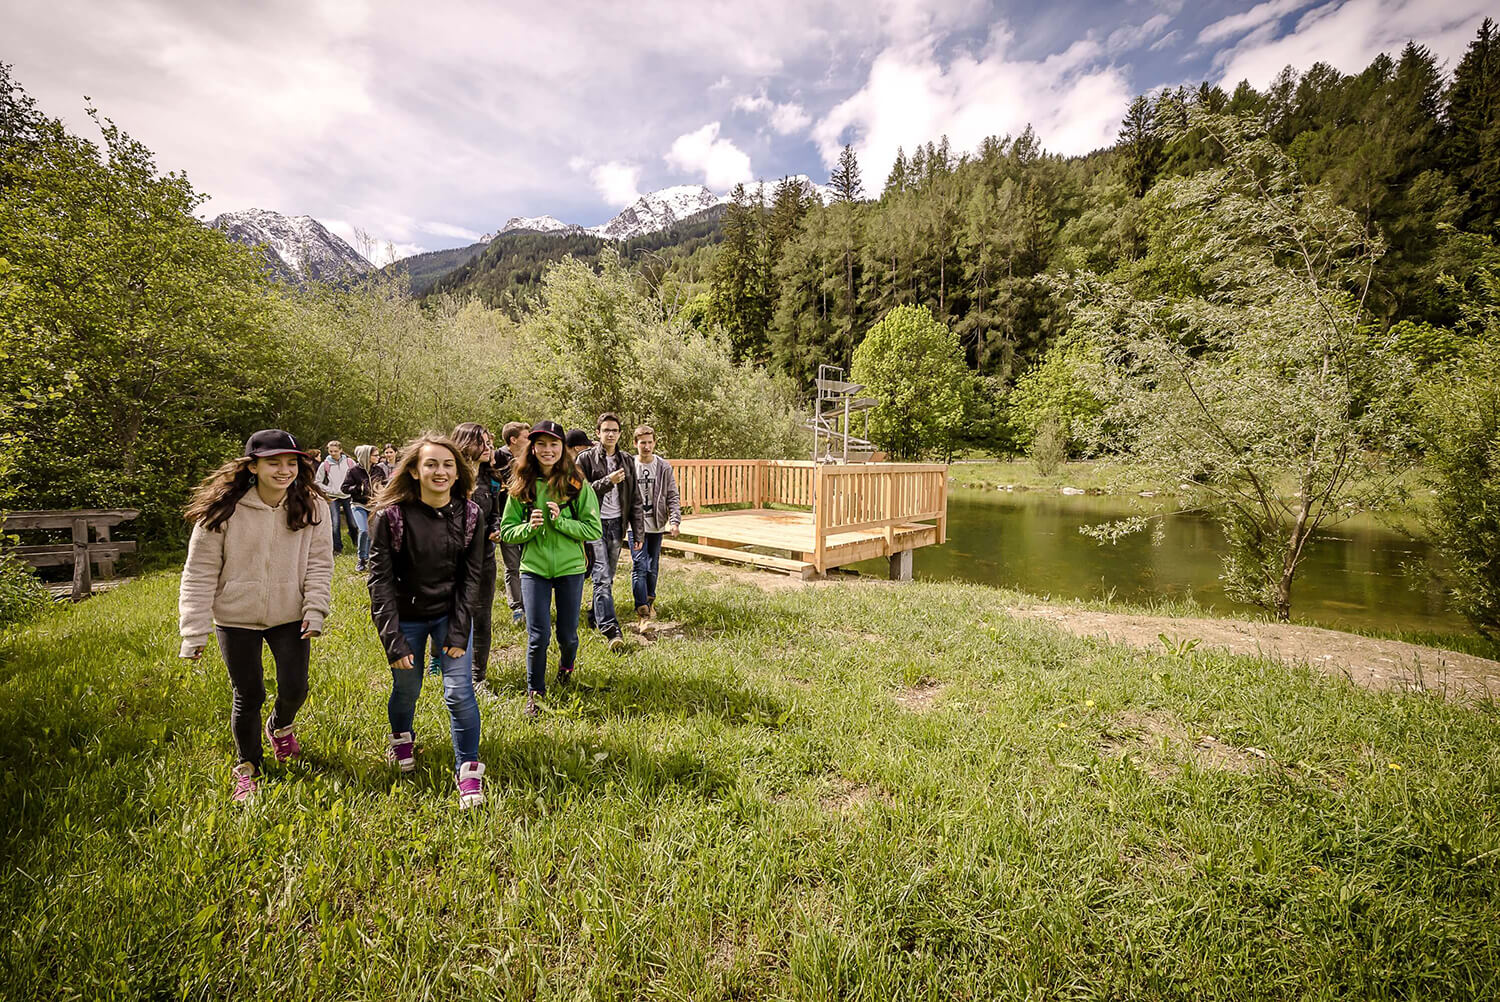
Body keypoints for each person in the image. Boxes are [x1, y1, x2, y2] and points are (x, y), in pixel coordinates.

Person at [178, 430, 334, 803]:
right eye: (274, 463)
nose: (284, 470)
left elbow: (319, 564)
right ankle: (247, 767)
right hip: (235, 617)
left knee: (295, 688)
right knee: (248, 694)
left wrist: (315, 609)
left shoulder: (313, 507)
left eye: (291, 463)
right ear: (253, 466)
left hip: (288, 615)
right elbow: (198, 572)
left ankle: (280, 729)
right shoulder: (222, 512)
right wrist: (194, 631)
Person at [367, 433, 488, 809]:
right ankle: (401, 737)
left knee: (459, 692)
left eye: (448, 465)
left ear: (458, 473)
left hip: (450, 615)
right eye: (431, 464)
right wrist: (393, 639)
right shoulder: (391, 518)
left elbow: (473, 578)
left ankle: (468, 769)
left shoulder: (471, 515)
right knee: (408, 687)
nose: (440, 471)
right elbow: (380, 581)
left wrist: (458, 629)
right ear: (415, 471)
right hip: (405, 617)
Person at [499, 420, 602, 718]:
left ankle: (566, 671)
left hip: (570, 568)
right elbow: (507, 531)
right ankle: (535, 693)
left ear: (563, 448)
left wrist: (561, 522)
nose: (547, 450)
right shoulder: (522, 484)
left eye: (553, 444)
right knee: (537, 636)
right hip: (534, 570)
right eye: (541, 444)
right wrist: (528, 529)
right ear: (532, 447)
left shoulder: (576, 483)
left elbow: (593, 528)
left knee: (568, 635)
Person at [575, 413, 644, 650]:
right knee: (601, 575)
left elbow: (635, 497)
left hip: (617, 523)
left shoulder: (626, 459)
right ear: (598, 433)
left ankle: (595, 616)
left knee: (608, 576)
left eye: (614, 430)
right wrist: (608, 481)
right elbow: (579, 493)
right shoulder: (585, 459)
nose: (611, 434)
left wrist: (639, 531)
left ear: (620, 434)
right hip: (594, 523)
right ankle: (611, 629)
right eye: (606, 430)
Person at [451, 422, 502, 688]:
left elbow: (494, 513)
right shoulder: (448, 477)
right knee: (451, 614)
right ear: (465, 443)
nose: (488, 446)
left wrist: (495, 528)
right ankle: (443, 662)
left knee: (482, 616)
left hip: (484, 558)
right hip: (450, 560)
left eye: (489, 441)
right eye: (481, 441)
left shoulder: (491, 478)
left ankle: (477, 677)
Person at [629, 425, 680, 621]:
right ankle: (641, 607)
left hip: (657, 524)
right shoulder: (630, 465)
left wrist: (674, 521)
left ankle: (650, 600)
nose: (647, 446)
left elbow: (672, 495)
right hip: (636, 525)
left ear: (655, 443)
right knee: (639, 565)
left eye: (650, 442)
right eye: (643, 443)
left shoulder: (663, 467)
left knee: (653, 566)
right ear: (636, 444)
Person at [495, 421, 530, 625]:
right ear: (513, 439)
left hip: (526, 518)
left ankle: (529, 603)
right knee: (512, 565)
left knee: (526, 563)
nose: (530, 440)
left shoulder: (529, 458)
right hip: (504, 519)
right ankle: (517, 607)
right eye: (526, 436)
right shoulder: (497, 458)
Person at [315, 440, 359, 555]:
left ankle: (355, 541)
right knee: (335, 524)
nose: (333, 453)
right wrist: (330, 490)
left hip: (348, 496)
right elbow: (317, 482)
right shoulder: (325, 464)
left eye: (335, 451)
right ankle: (337, 549)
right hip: (333, 497)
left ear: (341, 450)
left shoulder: (349, 462)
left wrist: (353, 488)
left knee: (353, 523)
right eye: (330, 451)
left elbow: (357, 477)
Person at [348, 445, 376, 572]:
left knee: (371, 533)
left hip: (374, 506)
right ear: (366, 456)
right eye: (375, 455)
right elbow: (344, 488)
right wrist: (358, 488)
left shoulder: (378, 470)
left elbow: (383, 484)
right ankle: (361, 559)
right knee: (363, 530)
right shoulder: (353, 471)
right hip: (358, 505)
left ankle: (370, 559)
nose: (378, 457)